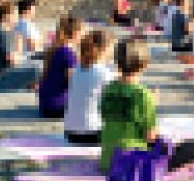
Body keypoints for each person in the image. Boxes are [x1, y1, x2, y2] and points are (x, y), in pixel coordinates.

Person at [99, 37, 159, 172]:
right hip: (132, 161)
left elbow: (105, 117)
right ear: (144, 64)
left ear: (117, 62)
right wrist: (152, 105)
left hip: (108, 159)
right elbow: (150, 136)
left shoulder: (108, 88)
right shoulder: (143, 95)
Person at [63, 30, 115, 145]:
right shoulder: (104, 73)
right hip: (93, 132)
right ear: (104, 50)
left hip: (70, 132)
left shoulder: (76, 70)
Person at [0, 2, 40, 91]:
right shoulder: (2, 33)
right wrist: (27, 57)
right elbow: (12, 60)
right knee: (38, 70)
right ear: (7, 16)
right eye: (16, 15)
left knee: (32, 67)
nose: (17, 18)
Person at [37, 16, 81, 119]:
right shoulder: (67, 53)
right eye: (81, 33)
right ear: (74, 34)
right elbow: (73, 82)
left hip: (46, 105)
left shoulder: (55, 49)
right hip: (57, 107)